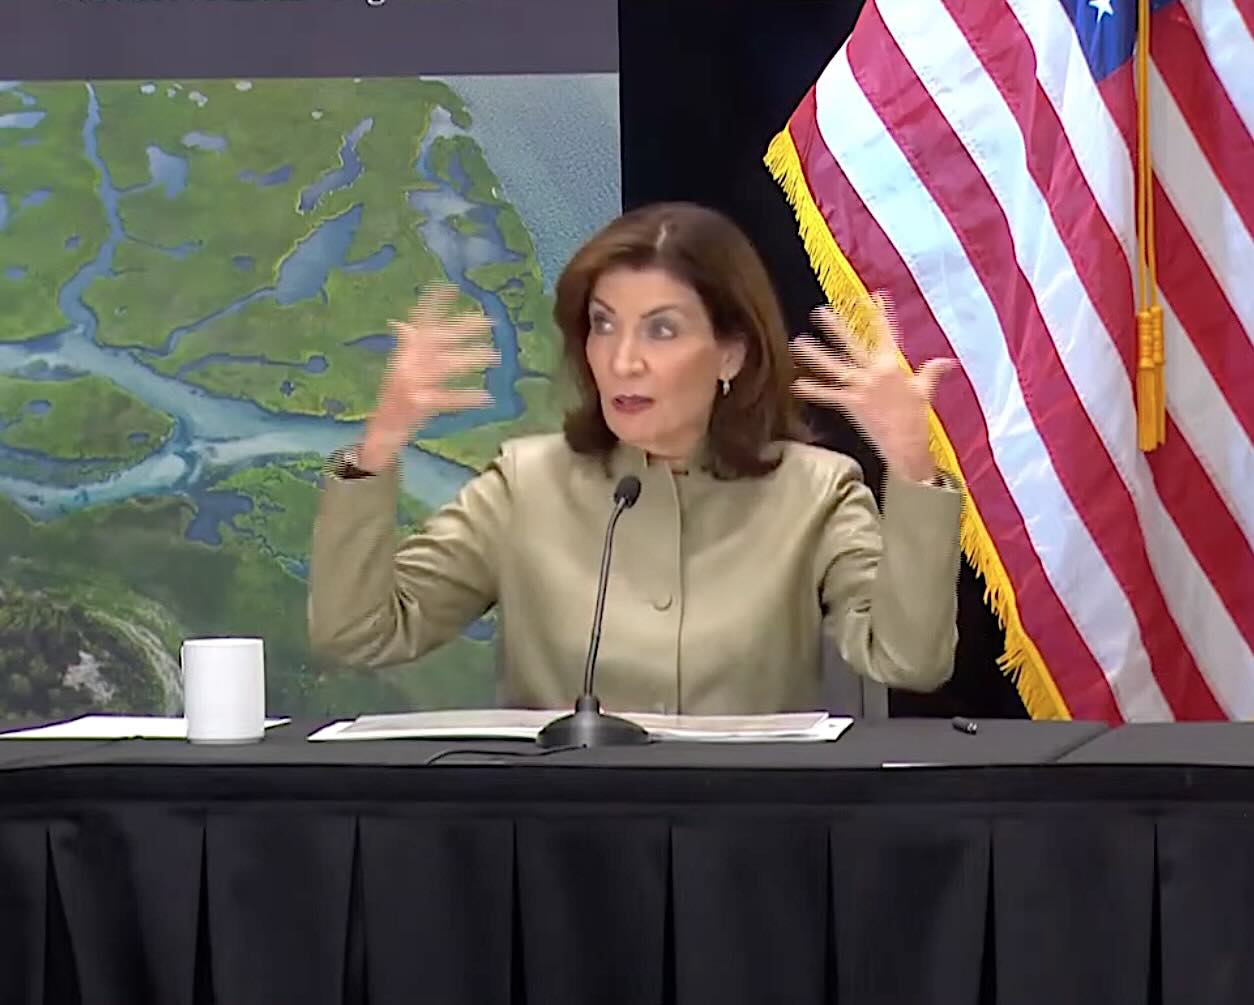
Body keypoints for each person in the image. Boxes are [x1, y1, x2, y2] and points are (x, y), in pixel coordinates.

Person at [308, 202, 963, 715]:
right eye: (603, 324)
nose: (623, 360)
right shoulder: (525, 485)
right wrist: (378, 447)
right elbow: (360, 633)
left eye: (661, 329)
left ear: (731, 353)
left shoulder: (815, 490)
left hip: (745, 835)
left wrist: (911, 465)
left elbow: (909, 662)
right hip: (562, 836)